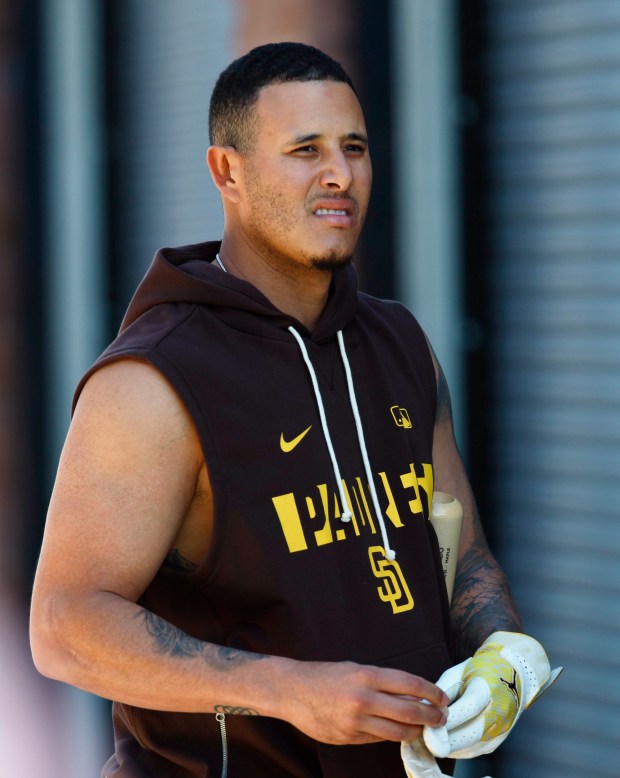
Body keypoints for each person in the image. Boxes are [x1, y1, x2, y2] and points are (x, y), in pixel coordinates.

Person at [30, 42, 555, 778]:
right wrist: (287, 689)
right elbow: (65, 625)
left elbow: (457, 550)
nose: (339, 174)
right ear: (228, 172)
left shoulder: (401, 343)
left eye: (355, 147)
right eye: (305, 150)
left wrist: (506, 656)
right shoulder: (154, 378)